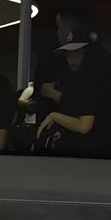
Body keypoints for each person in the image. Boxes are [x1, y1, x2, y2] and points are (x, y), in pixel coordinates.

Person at [36, 28, 111, 156]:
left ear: (90, 52)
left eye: (76, 52)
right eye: (68, 53)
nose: (70, 58)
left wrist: (54, 116)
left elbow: (84, 126)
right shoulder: (96, 76)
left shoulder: (90, 79)